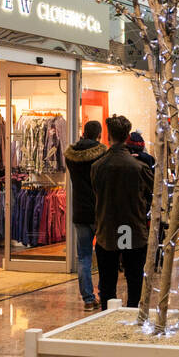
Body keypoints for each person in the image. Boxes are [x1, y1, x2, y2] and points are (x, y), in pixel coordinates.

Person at [90, 114, 155, 308]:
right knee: (135, 280)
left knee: (108, 281)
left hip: (107, 230)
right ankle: (133, 315)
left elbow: (96, 193)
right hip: (133, 229)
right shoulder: (139, 168)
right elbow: (151, 195)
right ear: (127, 136)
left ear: (108, 136)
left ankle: (107, 317)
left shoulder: (97, 167)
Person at [63, 120, 107, 311]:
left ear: (83, 132)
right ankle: (105, 295)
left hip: (80, 212)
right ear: (99, 135)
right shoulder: (103, 155)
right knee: (106, 255)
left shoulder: (71, 157)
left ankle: (88, 299)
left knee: (83, 257)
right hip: (100, 211)